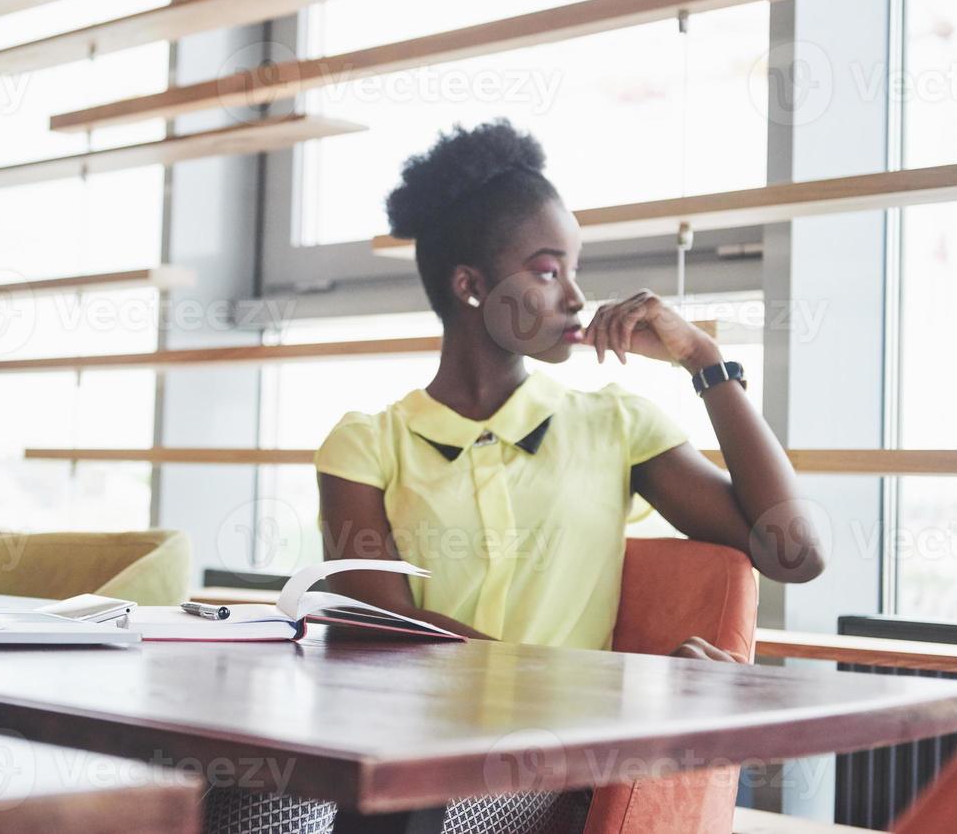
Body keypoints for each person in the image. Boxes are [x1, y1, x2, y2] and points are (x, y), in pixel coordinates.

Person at [311, 118, 827, 831]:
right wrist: (621, 686)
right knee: (257, 795)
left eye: (574, 270)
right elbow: (380, 628)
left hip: (543, 768)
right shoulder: (366, 443)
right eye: (550, 271)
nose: (577, 299)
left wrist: (703, 360)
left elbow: (793, 553)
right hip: (403, 745)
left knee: (395, 804)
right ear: (471, 286)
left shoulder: (615, 424)